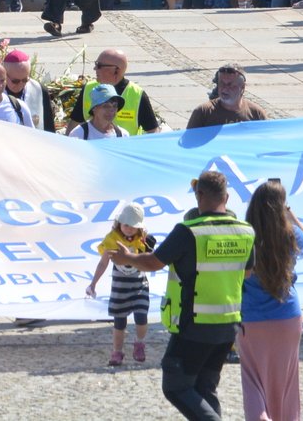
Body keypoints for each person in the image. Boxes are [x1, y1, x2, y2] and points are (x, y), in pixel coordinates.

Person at [109, 170, 255, 421]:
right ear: (227, 197)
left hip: (194, 324)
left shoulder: (189, 231)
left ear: (199, 195)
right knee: (205, 387)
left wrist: (127, 258)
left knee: (175, 386)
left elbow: (154, 262)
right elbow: (248, 273)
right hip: (228, 325)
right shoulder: (245, 231)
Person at [238, 179, 303, 421]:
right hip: (288, 316)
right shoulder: (291, 234)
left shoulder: (244, 237)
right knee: (287, 382)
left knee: (253, 380)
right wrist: (291, 215)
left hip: (251, 318)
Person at [87, 203, 155, 368]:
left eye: (133, 225)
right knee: (119, 322)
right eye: (126, 225)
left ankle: (139, 343)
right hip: (120, 287)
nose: (129, 229)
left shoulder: (144, 239)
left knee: (141, 317)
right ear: (119, 223)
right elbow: (103, 263)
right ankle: (117, 351)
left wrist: (149, 248)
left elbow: (151, 261)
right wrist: (93, 283)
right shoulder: (112, 240)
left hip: (139, 285)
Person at [185, 62, 270, 128]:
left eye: (230, 85)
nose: (225, 89)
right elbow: (189, 141)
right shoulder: (203, 112)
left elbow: (266, 140)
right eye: (222, 83)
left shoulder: (256, 114)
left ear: (242, 87)